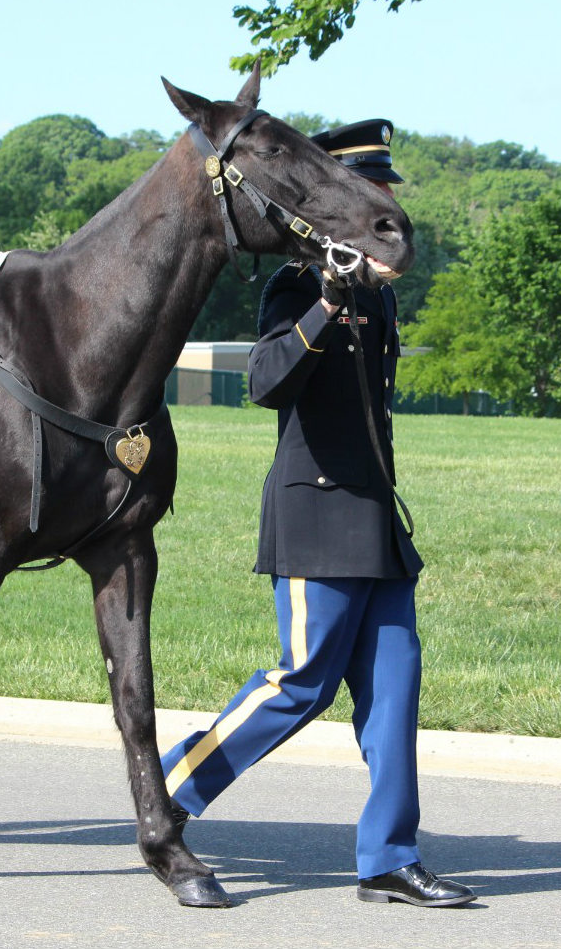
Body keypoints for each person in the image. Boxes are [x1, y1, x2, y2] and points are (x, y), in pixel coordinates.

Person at [160, 119, 475, 908]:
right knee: (300, 682)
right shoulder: (297, 290)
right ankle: (166, 791)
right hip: (315, 520)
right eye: (373, 200)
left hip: (375, 527)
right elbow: (265, 382)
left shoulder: (380, 303)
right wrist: (324, 306)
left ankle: (387, 859)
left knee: (394, 696)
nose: (387, 215)